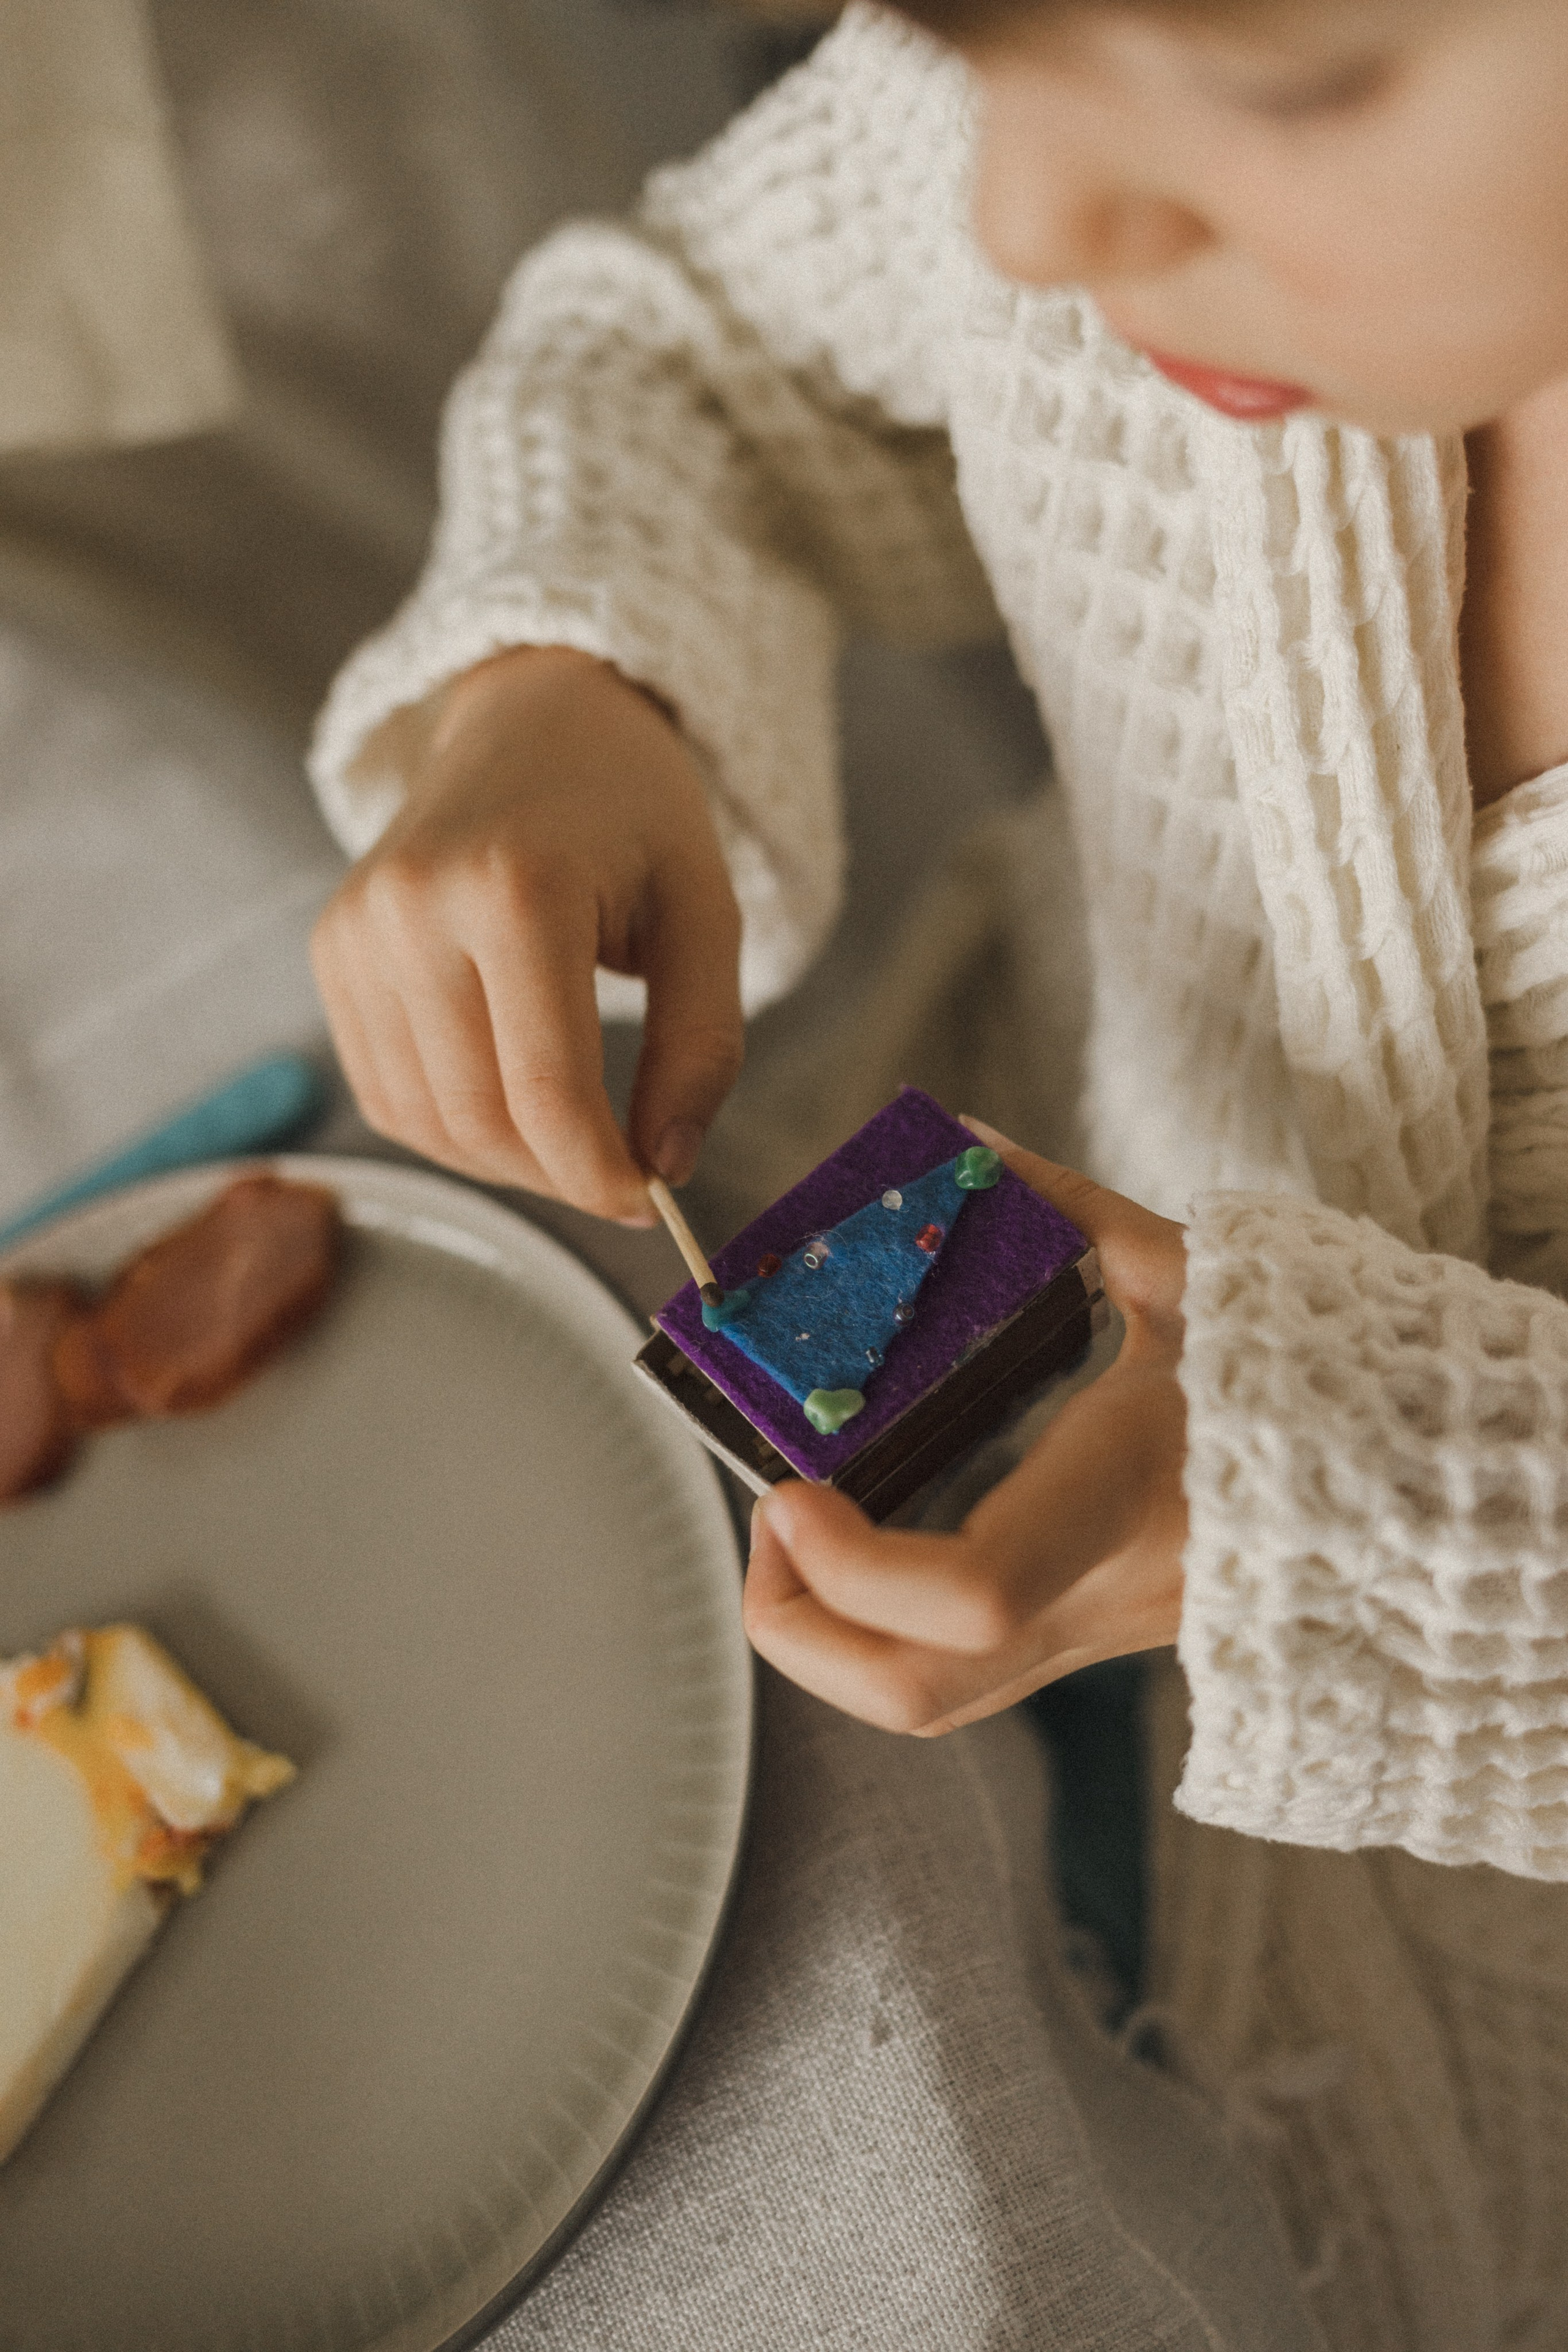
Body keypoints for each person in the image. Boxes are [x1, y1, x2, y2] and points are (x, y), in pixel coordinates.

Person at [305, 2, 1568, 2339]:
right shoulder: (1076, 124)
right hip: (991, 1463)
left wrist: (1333, 1508)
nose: (1025, 218)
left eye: (1290, 91)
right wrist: (567, 689)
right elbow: (689, 342)